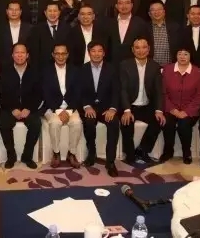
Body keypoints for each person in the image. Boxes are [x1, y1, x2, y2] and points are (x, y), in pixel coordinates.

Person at [118, 38, 164, 164]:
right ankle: (129, 154)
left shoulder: (155, 66)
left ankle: (142, 150)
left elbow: (158, 90)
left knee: (159, 121)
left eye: (144, 47)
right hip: (130, 105)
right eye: (137, 47)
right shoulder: (124, 65)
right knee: (126, 122)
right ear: (132, 50)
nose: (141, 50)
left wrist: (159, 110)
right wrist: (127, 110)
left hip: (146, 106)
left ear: (148, 49)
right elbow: (123, 89)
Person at [0, 43, 41, 170]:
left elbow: (39, 94)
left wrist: (29, 108)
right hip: (10, 108)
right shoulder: (4, 71)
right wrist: (12, 109)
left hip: (29, 108)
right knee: (4, 124)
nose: (20, 55)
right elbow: (0, 93)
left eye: (22, 52)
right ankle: (11, 156)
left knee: (36, 124)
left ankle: (27, 156)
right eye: (17, 52)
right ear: (12, 55)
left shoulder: (35, 71)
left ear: (27, 55)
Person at [79, 41, 119, 176]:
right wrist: (86, 106)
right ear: (89, 53)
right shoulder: (82, 69)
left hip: (107, 108)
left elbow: (116, 91)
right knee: (89, 122)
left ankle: (110, 161)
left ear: (104, 53)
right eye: (93, 51)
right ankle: (92, 154)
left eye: (99, 51)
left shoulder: (112, 69)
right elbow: (79, 91)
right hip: (90, 107)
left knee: (114, 123)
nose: (96, 54)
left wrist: (113, 108)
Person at [159, 47, 200, 164]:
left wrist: (187, 111)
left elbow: (199, 95)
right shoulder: (167, 70)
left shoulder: (198, 72)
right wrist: (172, 109)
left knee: (184, 125)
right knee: (167, 123)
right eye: (179, 54)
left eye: (185, 54)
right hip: (170, 108)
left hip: (190, 110)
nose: (182, 57)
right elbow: (163, 93)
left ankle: (186, 152)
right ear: (176, 56)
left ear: (190, 56)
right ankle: (168, 151)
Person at [42, 42, 82, 168]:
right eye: (57, 54)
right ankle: (56, 153)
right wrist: (58, 111)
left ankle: (72, 153)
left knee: (77, 123)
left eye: (63, 54)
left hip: (71, 107)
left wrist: (68, 111)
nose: (60, 56)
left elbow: (78, 93)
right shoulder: (45, 71)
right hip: (52, 107)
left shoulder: (75, 70)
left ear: (67, 55)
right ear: (53, 55)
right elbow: (45, 94)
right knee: (55, 123)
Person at [105, 0, 149, 64]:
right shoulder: (108, 23)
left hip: (133, 64)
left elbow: (144, 44)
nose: (124, 6)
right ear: (116, 6)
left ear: (132, 5)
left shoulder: (140, 23)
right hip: (112, 64)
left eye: (127, 3)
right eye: (120, 3)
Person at [29, 1, 70, 70]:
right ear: (45, 13)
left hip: (63, 68)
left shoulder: (67, 28)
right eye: (50, 11)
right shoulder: (37, 29)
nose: (52, 13)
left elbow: (70, 51)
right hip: (43, 69)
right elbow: (34, 53)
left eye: (55, 11)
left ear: (59, 12)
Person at [0, 0, 33, 67]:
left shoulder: (30, 28)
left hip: (26, 66)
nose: (14, 12)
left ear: (20, 11)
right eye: (11, 9)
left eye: (16, 9)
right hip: (5, 66)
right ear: (7, 11)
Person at [147, 1, 180, 67]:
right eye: (153, 10)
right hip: (151, 67)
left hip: (170, 66)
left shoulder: (175, 27)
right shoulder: (145, 28)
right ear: (149, 14)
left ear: (164, 12)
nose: (156, 12)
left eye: (159, 9)